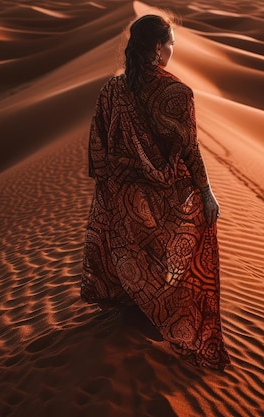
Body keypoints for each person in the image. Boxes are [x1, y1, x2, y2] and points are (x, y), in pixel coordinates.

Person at [81, 14, 230, 370]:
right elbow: (190, 149)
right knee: (163, 253)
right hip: (165, 195)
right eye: (173, 43)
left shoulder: (112, 89)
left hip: (122, 195)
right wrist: (207, 193)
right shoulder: (177, 92)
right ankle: (159, 318)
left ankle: (135, 309)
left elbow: (97, 144)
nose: (173, 50)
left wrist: (110, 183)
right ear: (159, 48)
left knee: (133, 252)